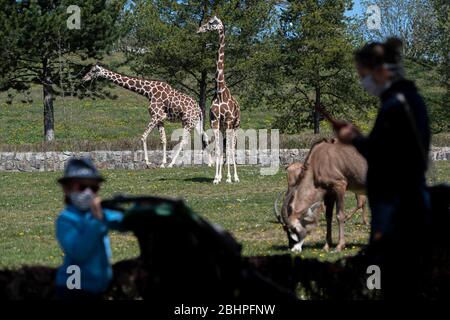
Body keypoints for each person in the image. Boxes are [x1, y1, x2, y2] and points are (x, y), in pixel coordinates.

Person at [335, 38, 432, 298]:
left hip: (394, 204)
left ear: (380, 71)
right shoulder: (411, 98)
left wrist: (354, 139)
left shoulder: (394, 106)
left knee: (381, 272)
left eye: (363, 75)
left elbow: (382, 157)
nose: (363, 82)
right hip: (409, 199)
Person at [55, 157, 124, 300]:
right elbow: (79, 251)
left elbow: (122, 221)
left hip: (99, 288)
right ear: (67, 189)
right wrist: (97, 221)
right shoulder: (65, 219)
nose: (88, 193)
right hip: (73, 289)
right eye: (81, 187)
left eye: (93, 188)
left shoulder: (99, 213)